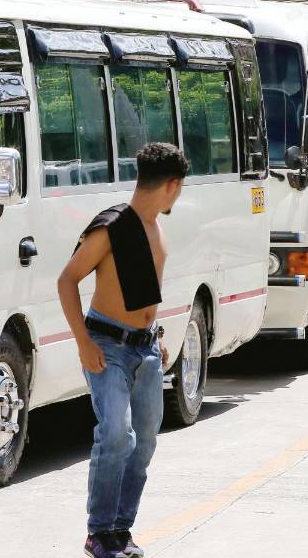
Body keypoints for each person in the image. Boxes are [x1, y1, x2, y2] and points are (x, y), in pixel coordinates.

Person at [58, 142, 188, 558]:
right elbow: (67, 280)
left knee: (144, 442)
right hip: (107, 346)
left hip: (146, 350)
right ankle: (98, 531)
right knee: (116, 434)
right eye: (180, 188)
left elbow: (142, 292)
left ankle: (120, 530)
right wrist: (83, 343)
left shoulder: (155, 228)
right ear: (171, 185)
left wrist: (158, 335)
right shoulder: (112, 227)